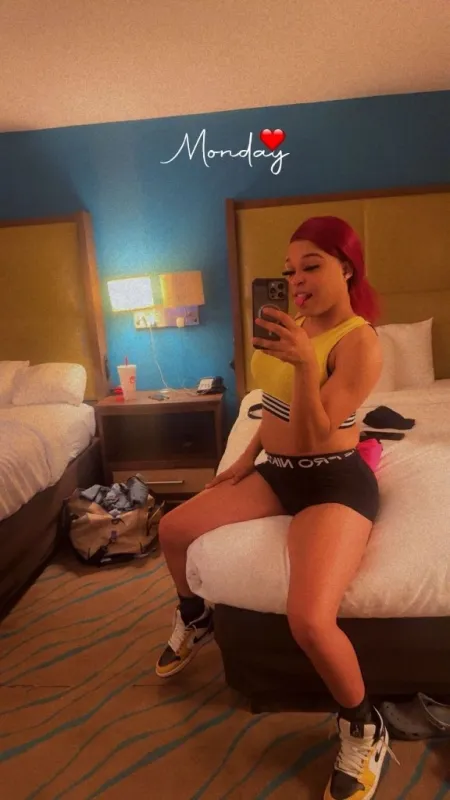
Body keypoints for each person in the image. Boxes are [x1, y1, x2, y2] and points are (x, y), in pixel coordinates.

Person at [155, 216, 394, 800]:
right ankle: (196, 616)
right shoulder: (296, 326)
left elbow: (317, 433)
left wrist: (306, 363)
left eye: (312, 265)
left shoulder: (360, 342)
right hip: (277, 471)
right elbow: (271, 407)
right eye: (289, 271)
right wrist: (247, 458)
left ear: (346, 268)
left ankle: (364, 725)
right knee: (173, 528)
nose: (297, 280)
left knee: (308, 619)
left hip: (332, 481)